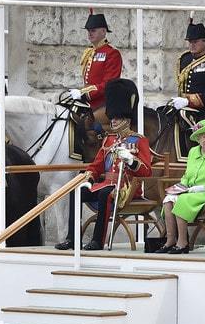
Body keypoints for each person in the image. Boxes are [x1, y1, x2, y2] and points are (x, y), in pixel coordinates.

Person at [55, 78, 151, 251]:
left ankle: (98, 240)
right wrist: (89, 178)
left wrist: (131, 160)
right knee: (76, 192)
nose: (112, 121)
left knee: (105, 194)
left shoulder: (139, 140)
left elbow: (146, 171)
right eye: (112, 118)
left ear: (127, 120)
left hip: (128, 188)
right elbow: (97, 165)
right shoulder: (109, 139)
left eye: (117, 118)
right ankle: (72, 238)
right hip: (107, 184)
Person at [156, 118, 205, 255]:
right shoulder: (193, 152)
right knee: (168, 200)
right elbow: (187, 176)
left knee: (182, 200)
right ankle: (170, 240)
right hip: (190, 192)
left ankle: (183, 243)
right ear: (198, 139)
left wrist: (201, 188)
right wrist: (180, 186)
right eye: (203, 137)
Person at [172, 20, 205, 125]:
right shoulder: (184, 58)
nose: (192, 45)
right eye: (190, 42)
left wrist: (188, 101)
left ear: (204, 42)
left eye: (195, 42)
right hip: (184, 106)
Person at [68, 11, 122, 111]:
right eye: (88, 31)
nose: (89, 33)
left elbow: (108, 84)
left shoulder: (112, 53)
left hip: (103, 105)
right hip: (88, 103)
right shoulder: (90, 51)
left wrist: (84, 92)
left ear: (103, 31)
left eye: (93, 30)